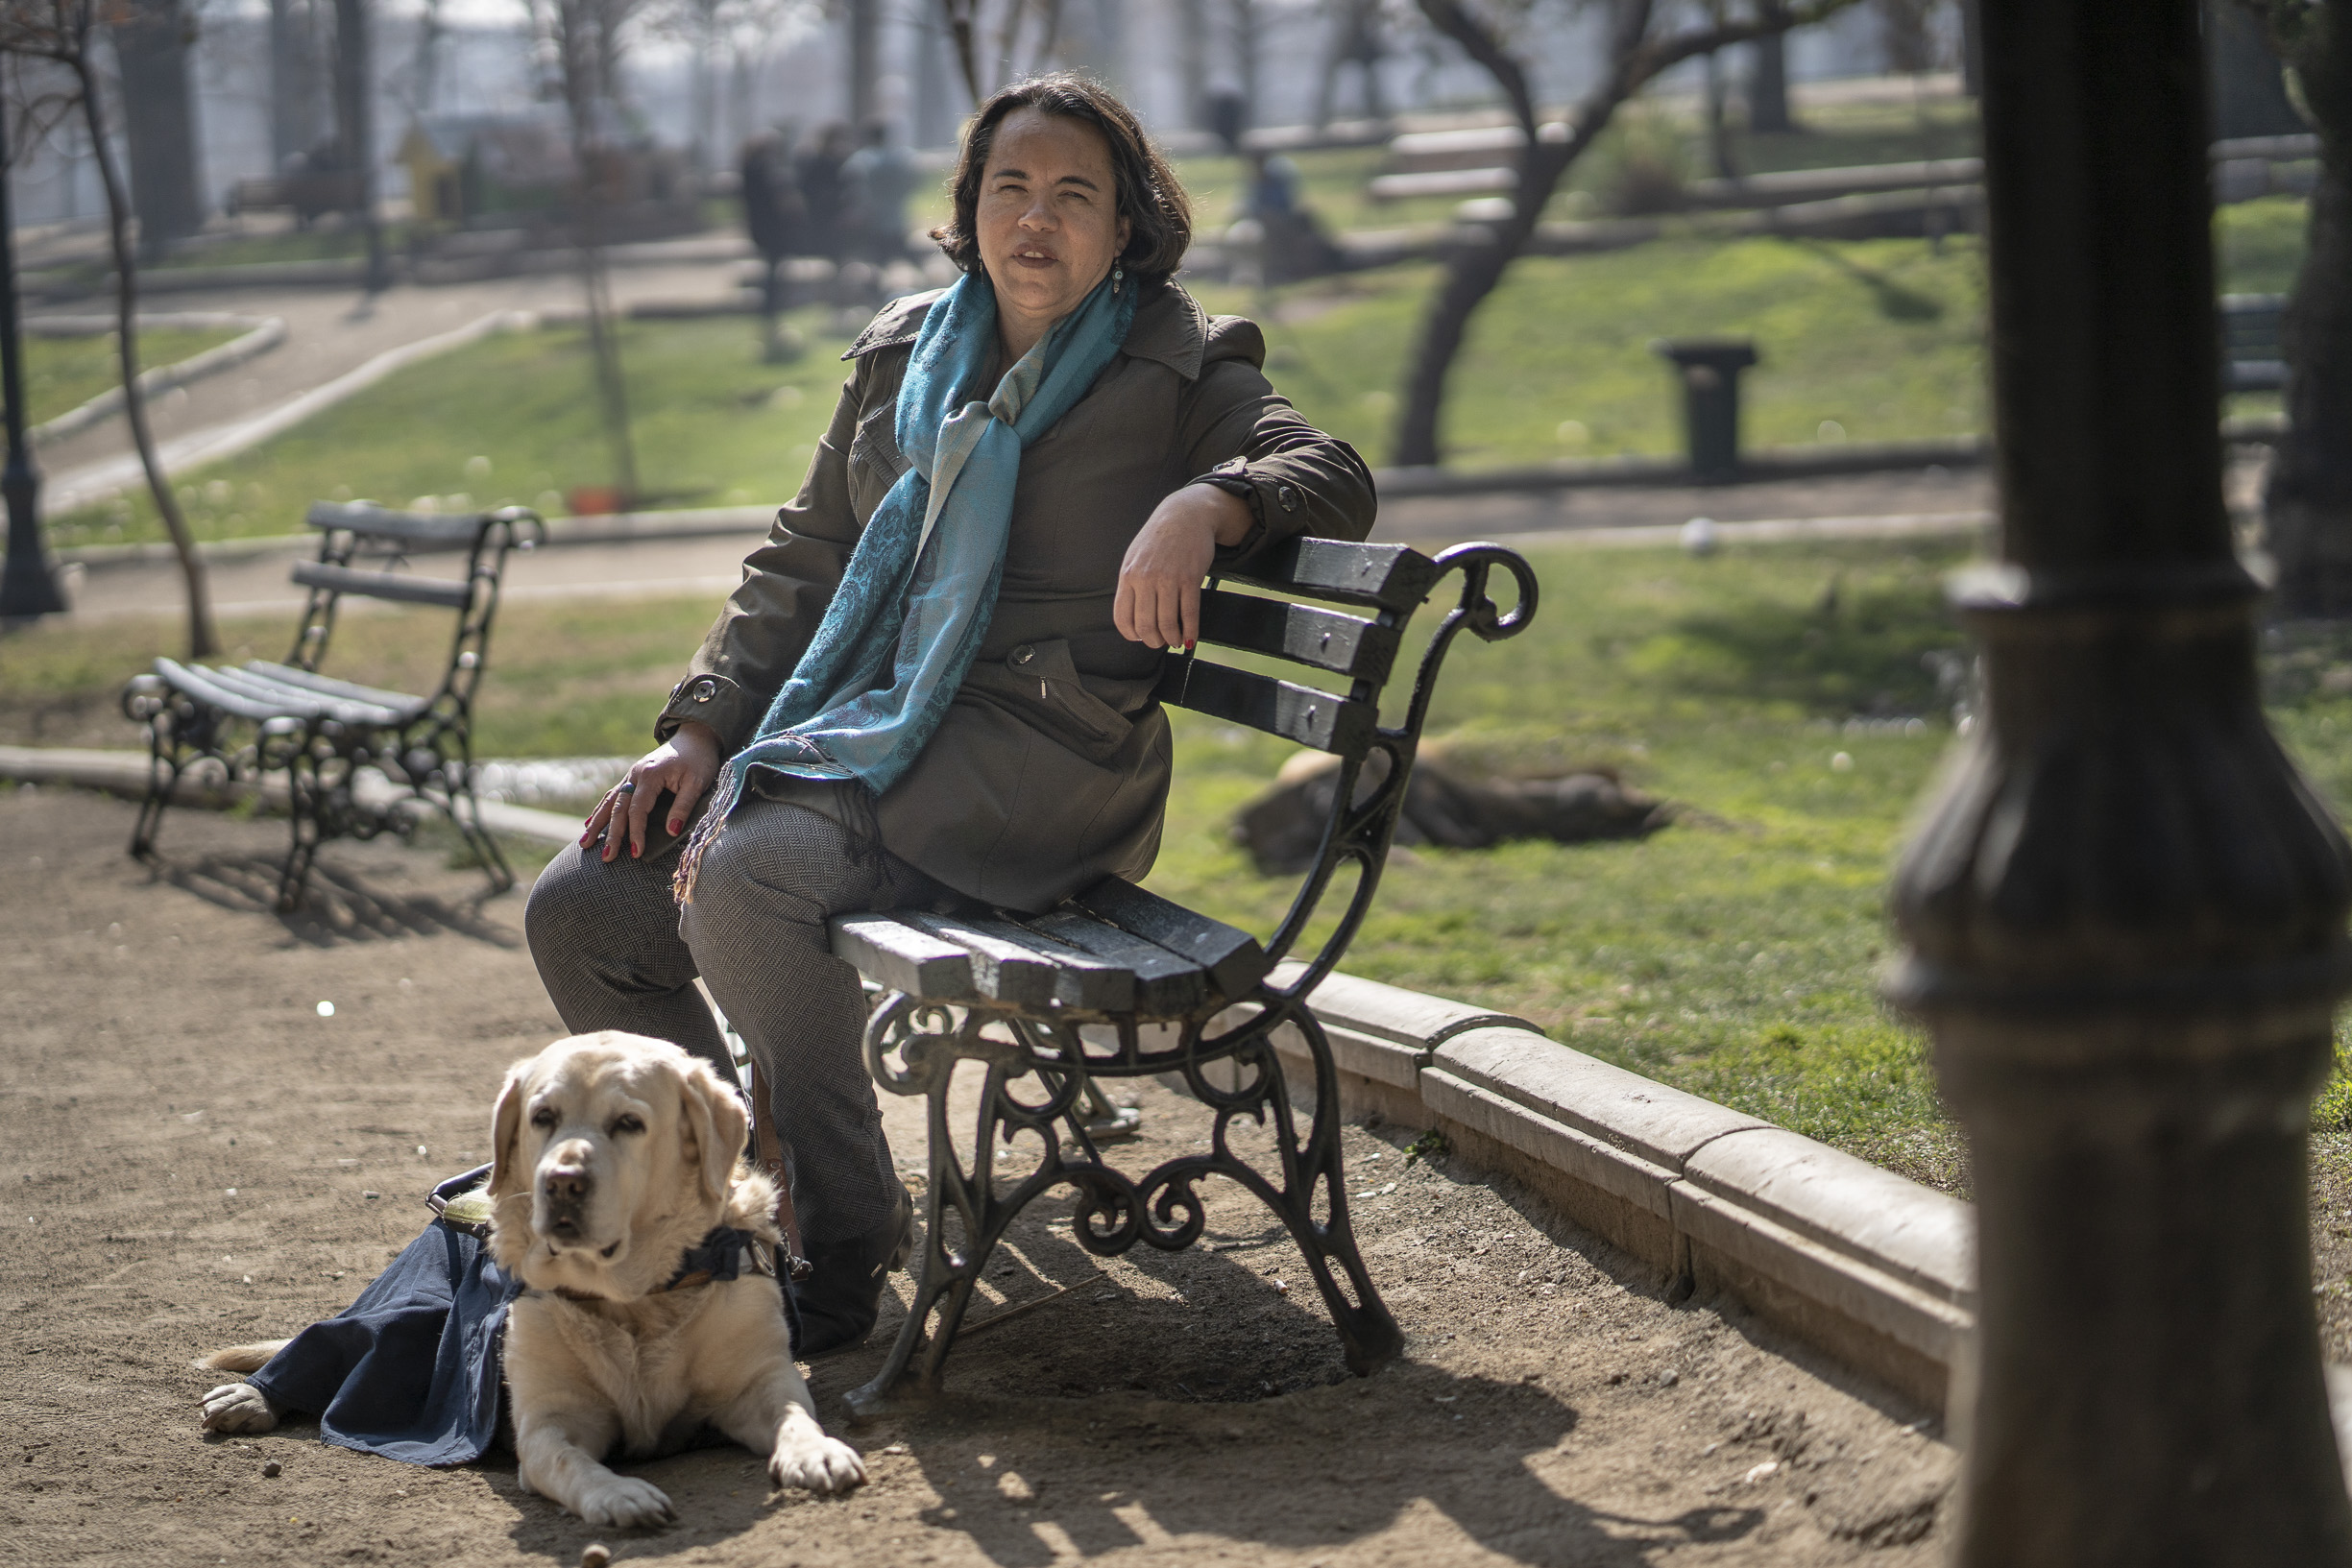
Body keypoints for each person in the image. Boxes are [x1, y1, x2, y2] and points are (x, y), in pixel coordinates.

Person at [523, 73, 1375, 1357]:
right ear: (969, 208)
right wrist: (698, 728)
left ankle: (845, 1237)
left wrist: (1208, 504)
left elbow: (1333, 475)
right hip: (861, 735)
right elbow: (806, 560)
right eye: (1011, 188)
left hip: (1033, 773)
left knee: (746, 879)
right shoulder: (900, 355)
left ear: (1128, 225)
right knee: (583, 907)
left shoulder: (1178, 363)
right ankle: (722, 1197)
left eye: (1075, 194)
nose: (1038, 218)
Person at [842, 118, 917, 265]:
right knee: (897, 260)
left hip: (870, 218)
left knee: (873, 260)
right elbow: (913, 182)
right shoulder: (900, 158)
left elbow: (852, 184)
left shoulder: (862, 159)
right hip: (896, 217)